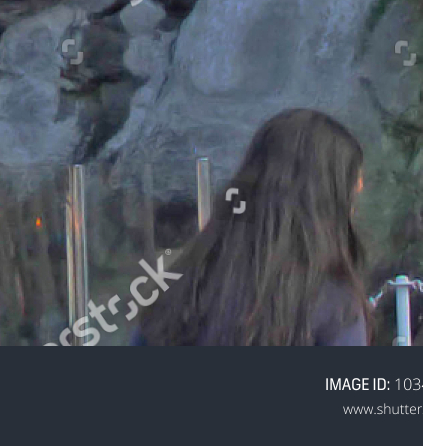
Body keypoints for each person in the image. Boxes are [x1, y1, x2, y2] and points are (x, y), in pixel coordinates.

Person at [134, 109, 371, 345]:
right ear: (325, 206)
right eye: (349, 199)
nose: (352, 213)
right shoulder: (335, 308)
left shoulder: (178, 290)